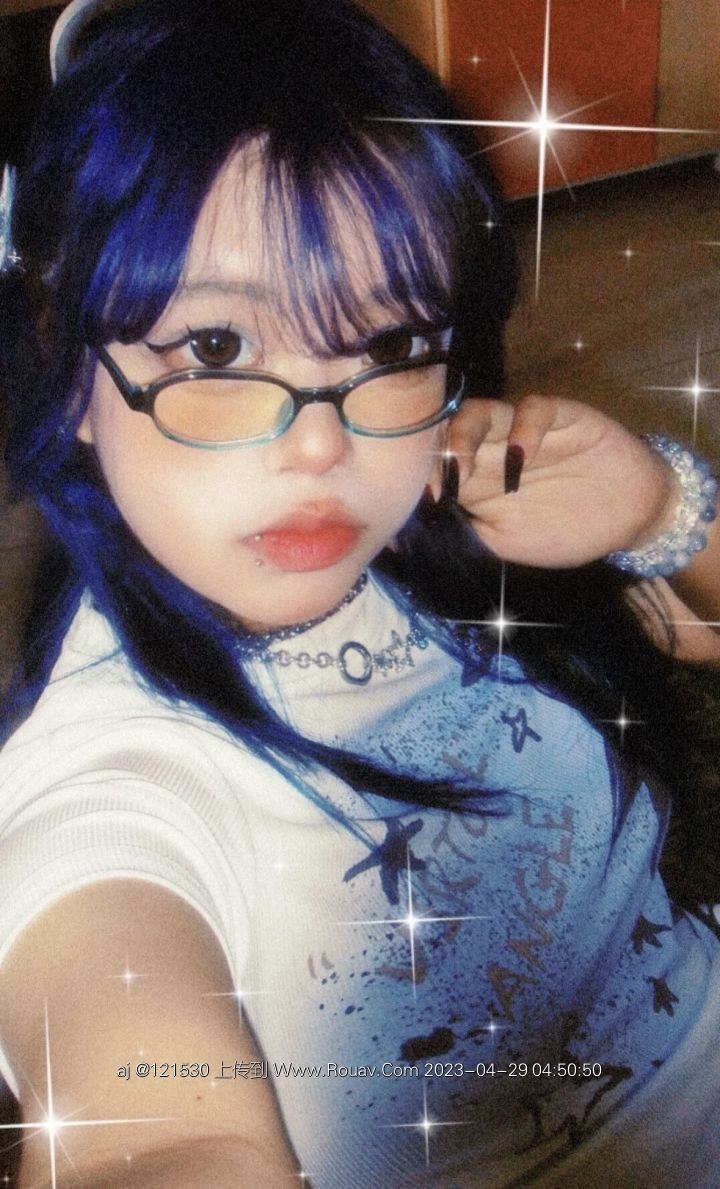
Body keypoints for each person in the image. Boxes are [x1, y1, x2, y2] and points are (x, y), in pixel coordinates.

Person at [0, 1, 719, 1185]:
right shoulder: (109, 785)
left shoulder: (460, 524)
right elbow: (161, 1132)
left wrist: (660, 511)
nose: (323, 446)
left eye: (387, 346)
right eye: (219, 350)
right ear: (72, 363)